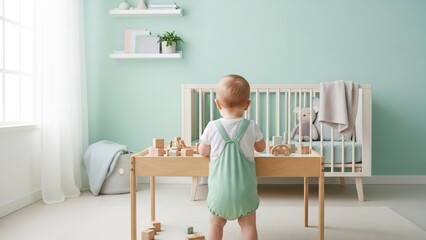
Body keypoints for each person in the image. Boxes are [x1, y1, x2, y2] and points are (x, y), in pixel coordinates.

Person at [198, 74, 266, 240]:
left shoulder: (212, 127)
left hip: (219, 193)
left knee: (215, 224)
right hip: (245, 193)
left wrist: (203, 147)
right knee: (248, 224)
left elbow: (203, 151)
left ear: (217, 103)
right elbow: (261, 147)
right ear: (247, 105)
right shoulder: (251, 126)